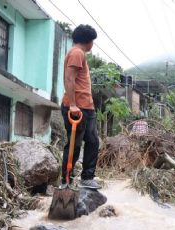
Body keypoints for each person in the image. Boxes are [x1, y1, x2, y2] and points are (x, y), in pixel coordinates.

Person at [61, 24, 101, 189]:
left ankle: (86, 177)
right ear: (88, 41)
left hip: (85, 107)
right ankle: (66, 180)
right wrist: (73, 105)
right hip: (78, 108)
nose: (93, 44)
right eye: (93, 41)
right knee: (75, 144)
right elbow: (69, 79)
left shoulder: (78, 53)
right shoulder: (77, 53)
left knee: (92, 141)